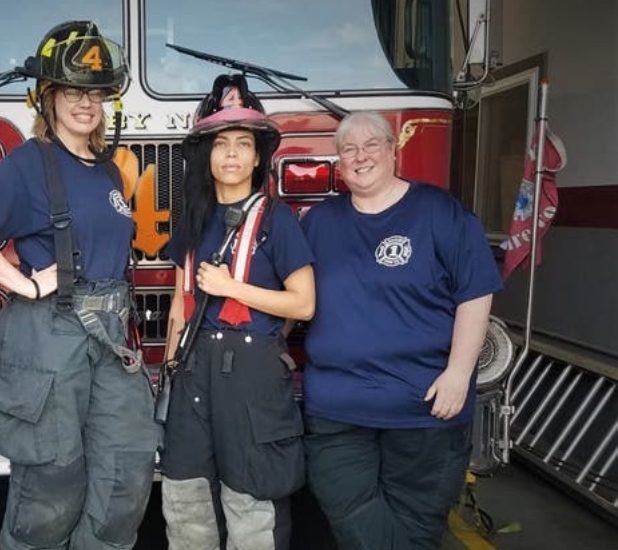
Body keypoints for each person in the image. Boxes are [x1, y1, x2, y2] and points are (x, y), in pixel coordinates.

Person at [0, 21, 160, 550]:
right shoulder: (27, 163)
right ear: (46, 98)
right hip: (49, 336)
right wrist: (20, 282)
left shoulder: (108, 170)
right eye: (71, 92)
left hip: (108, 338)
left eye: (95, 93)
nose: (85, 103)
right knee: (52, 485)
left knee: (125, 477)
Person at [299, 111, 502, 549]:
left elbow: (476, 293)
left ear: (394, 150)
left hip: (426, 407)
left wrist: (459, 374)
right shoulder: (318, 222)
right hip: (337, 409)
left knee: (419, 521)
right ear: (339, 161)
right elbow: (296, 295)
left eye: (372, 144)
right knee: (346, 509)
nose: (360, 156)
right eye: (349, 149)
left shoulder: (440, 212)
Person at [160, 74, 316, 550]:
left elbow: (303, 303)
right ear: (206, 156)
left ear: (256, 156)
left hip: (251, 375)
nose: (230, 154)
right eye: (220, 144)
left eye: (242, 144)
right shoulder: (194, 219)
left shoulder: (277, 219)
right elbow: (178, 303)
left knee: (252, 500)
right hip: (191, 372)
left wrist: (234, 289)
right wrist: (170, 366)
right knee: (184, 496)